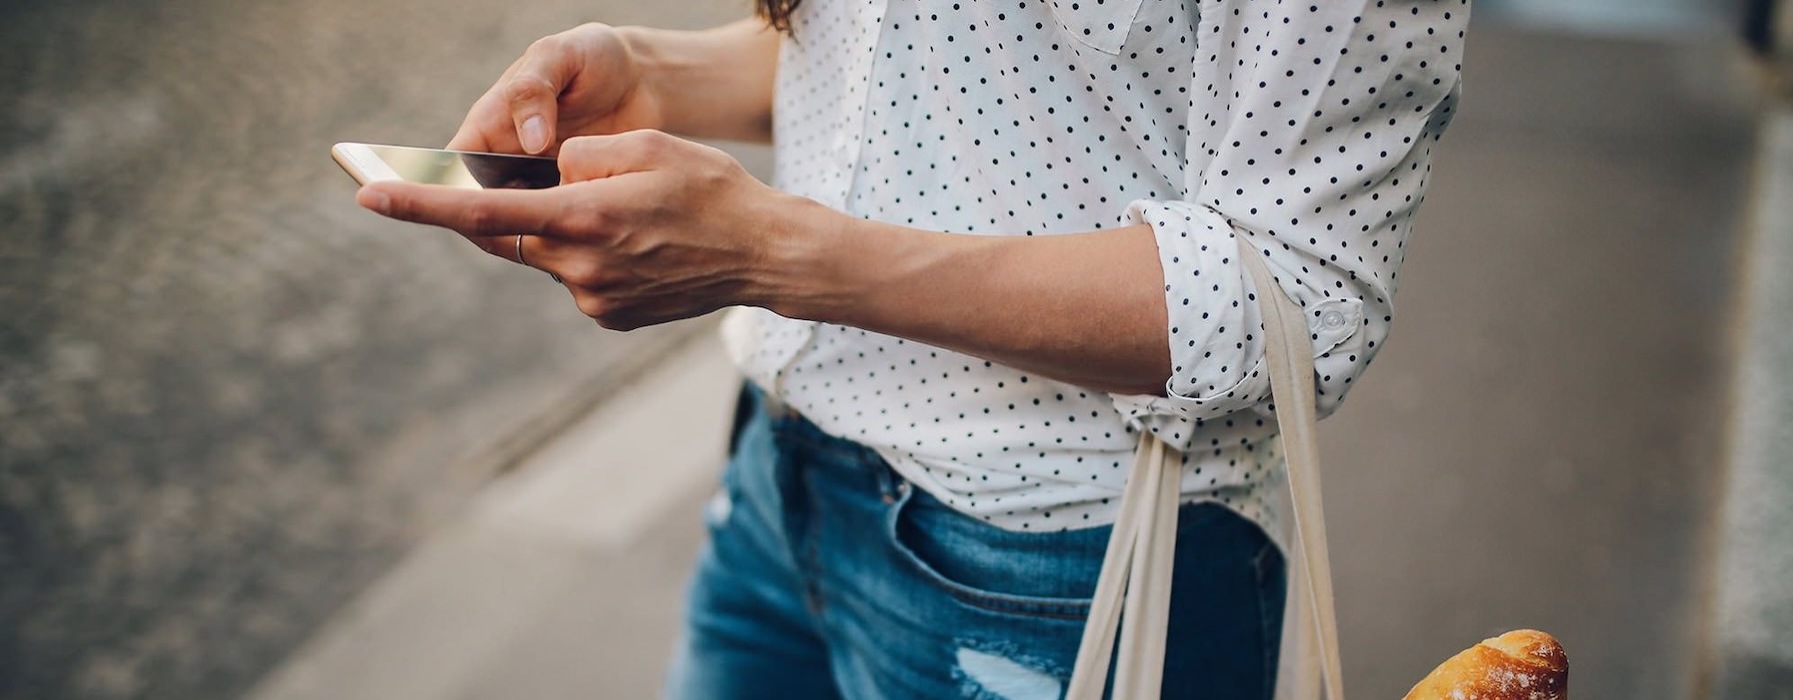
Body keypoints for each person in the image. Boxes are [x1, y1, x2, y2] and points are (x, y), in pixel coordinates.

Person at [357, 1, 1468, 697]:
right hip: (778, 479)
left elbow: (1303, 290)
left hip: (1058, 556)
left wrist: (780, 252)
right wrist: (651, 72)